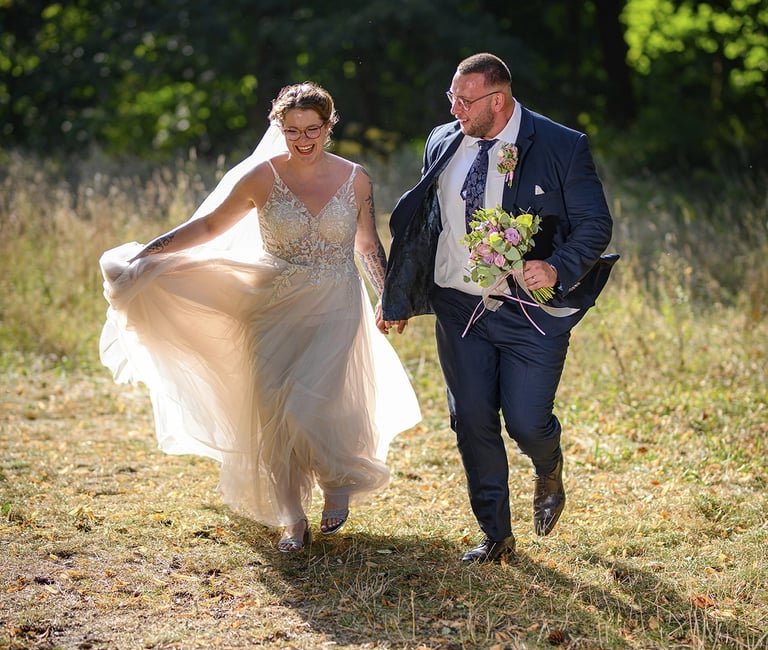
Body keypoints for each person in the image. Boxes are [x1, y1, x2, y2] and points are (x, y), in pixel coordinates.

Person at [99, 81, 420, 553]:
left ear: (330, 125)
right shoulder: (260, 177)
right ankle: (292, 517)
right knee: (273, 413)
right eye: (292, 130)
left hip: (335, 302)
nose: (303, 139)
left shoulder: (356, 179)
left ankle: (337, 482)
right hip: (272, 305)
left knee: (313, 406)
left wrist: (389, 298)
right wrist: (150, 252)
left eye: (313, 128)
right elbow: (208, 227)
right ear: (279, 127)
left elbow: (367, 244)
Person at [379, 53, 616, 563]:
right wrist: (398, 295)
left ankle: (548, 467)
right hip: (458, 305)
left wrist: (556, 266)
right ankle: (496, 536)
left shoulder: (561, 145)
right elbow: (426, 226)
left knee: (527, 422)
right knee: (472, 421)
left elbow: (595, 224)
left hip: (529, 309)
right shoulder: (443, 141)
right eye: (451, 98)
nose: (455, 109)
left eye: (465, 101)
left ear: (498, 100)